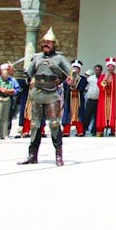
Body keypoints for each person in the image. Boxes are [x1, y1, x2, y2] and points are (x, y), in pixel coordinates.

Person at [18, 28, 72, 166]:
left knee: (54, 124)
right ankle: (32, 155)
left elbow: (71, 73)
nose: (46, 44)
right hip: (37, 93)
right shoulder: (37, 58)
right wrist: (14, 72)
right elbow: (28, 74)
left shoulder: (60, 58)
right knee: (35, 125)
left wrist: (71, 79)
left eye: (49, 42)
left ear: (54, 44)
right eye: (44, 42)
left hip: (52, 93)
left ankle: (58, 155)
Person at [0, 62, 21, 139]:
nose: (6, 72)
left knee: (6, 117)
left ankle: (5, 134)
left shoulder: (12, 80)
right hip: (0, 98)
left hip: (9, 98)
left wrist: (8, 91)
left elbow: (17, 89)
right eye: (5, 70)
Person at [62, 59, 88, 137]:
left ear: (79, 69)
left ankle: (80, 131)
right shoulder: (67, 78)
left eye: (77, 68)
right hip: (69, 100)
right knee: (67, 115)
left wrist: (74, 85)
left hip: (78, 99)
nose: (75, 70)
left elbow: (82, 88)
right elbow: (65, 88)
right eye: (74, 68)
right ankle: (66, 132)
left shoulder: (82, 79)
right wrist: (67, 83)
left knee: (79, 115)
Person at [96, 57, 116, 136]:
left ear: (114, 67)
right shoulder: (102, 76)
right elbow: (99, 85)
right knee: (102, 114)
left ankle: (114, 130)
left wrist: (112, 82)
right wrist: (104, 80)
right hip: (103, 98)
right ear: (107, 67)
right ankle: (100, 131)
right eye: (109, 66)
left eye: (112, 66)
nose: (110, 68)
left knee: (113, 114)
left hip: (112, 98)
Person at [82, 65, 101, 136]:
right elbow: (85, 85)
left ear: (101, 71)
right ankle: (83, 130)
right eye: (96, 70)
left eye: (98, 70)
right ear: (94, 71)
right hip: (90, 99)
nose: (97, 71)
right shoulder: (90, 78)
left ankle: (94, 131)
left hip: (98, 100)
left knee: (97, 116)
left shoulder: (102, 78)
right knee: (87, 116)